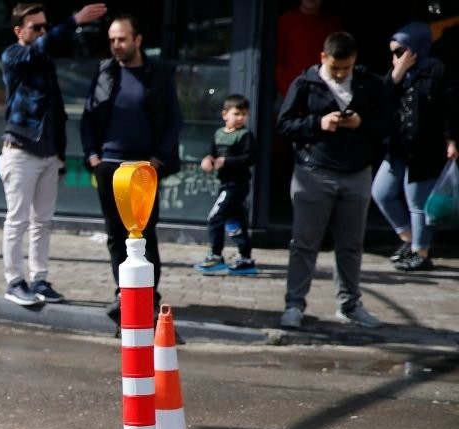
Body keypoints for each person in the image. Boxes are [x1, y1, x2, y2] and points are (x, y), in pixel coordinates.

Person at [0, 2, 108, 307]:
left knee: (43, 222)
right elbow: (39, 49)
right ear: (19, 31)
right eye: (36, 27)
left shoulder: (45, 62)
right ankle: (14, 281)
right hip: (20, 151)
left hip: (47, 155)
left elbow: (56, 113)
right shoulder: (14, 55)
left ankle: (40, 280)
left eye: (45, 26)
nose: (43, 32)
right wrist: (74, 19)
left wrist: (59, 154)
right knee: (17, 220)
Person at [276, 31, 388, 330]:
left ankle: (350, 305)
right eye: (335, 68)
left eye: (346, 68)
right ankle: (294, 305)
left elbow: (386, 124)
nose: (340, 74)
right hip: (314, 173)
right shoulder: (305, 83)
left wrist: (360, 122)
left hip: (357, 173)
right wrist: (318, 123)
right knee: (304, 243)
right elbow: (284, 125)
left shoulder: (369, 84)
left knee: (351, 244)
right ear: (323, 58)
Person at [80, 14, 183, 324]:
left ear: (138, 40)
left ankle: (148, 294)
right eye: (112, 40)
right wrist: (93, 156)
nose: (116, 45)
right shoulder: (104, 71)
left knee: (143, 233)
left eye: (122, 39)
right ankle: (123, 291)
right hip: (108, 164)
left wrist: (158, 158)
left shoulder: (159, 74)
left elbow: (173, 121)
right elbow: (88, 116)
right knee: (115, 234)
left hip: (143, 168)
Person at [372, 21, 457, 273]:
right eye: (393, 52)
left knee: (417, 200)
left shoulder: (436, 71)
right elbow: (377, 99)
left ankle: (421, 251)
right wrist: (396, 74)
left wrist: (452, 139)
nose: (396, 57)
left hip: (425, 147)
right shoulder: (396, 75)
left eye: (400, 51)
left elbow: (450, 109)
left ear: (415, 48)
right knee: (382, 192)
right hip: (398, 145)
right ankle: (409, 239)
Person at [195, 94, 257, 276]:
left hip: (237, 185)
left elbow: (249, 158)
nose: (240, 118)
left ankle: (215, 255)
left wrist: (227, 161)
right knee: (235, 221)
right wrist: (208, 160)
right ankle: (246, 259)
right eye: (236, 113)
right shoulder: (219, 134)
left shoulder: (245, 135)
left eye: (244, 114)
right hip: (225, 184)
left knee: (215, 217)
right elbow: (212, 153)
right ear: (225, 115)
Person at [275, 0, 342, 99]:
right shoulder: (286, 21)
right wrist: (287, 91)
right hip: (291, 91)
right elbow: (278, 60)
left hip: (324, 93)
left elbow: (339, 60)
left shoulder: (332, 24)